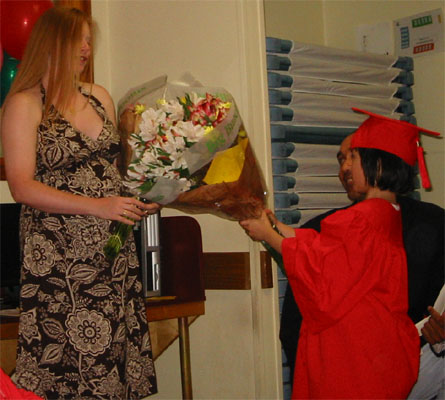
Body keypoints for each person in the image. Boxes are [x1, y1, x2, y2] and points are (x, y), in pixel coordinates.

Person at [1, 7, 158, 399]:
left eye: (89, 40)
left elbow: (118, 170)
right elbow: (21, 187)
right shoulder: (24, 104)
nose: (87, 48)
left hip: (113, 253)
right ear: (52, 42)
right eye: (78, 40)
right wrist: (98, 206)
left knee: (113, 361)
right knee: (67, 367)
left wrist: (148, 193)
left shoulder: (99, 96)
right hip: (59, 262)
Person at [241, 108, 442, 399]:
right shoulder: (389, 214)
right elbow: (327, 247)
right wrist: (279, 228)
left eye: (353, 157)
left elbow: (324, 274)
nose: (346, 166)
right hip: (381, 350)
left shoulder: (361, 218)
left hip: (354, 355)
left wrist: (269, 236)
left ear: (377, 165)